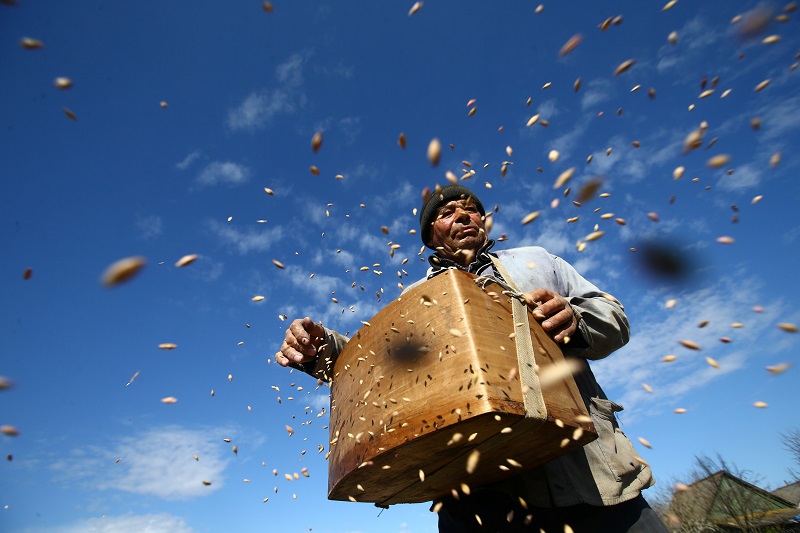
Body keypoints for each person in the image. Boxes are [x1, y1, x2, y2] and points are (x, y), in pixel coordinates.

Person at [276, 185, 668, 532]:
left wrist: (575, 319)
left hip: (589, 475)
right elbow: (382, 369)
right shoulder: (415, 298)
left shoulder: (536, 261)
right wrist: (323, 350)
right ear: (431, 236)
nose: (464, 215)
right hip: (478, 494)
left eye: (472, 209)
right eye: (447, 212)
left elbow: (614, 318)